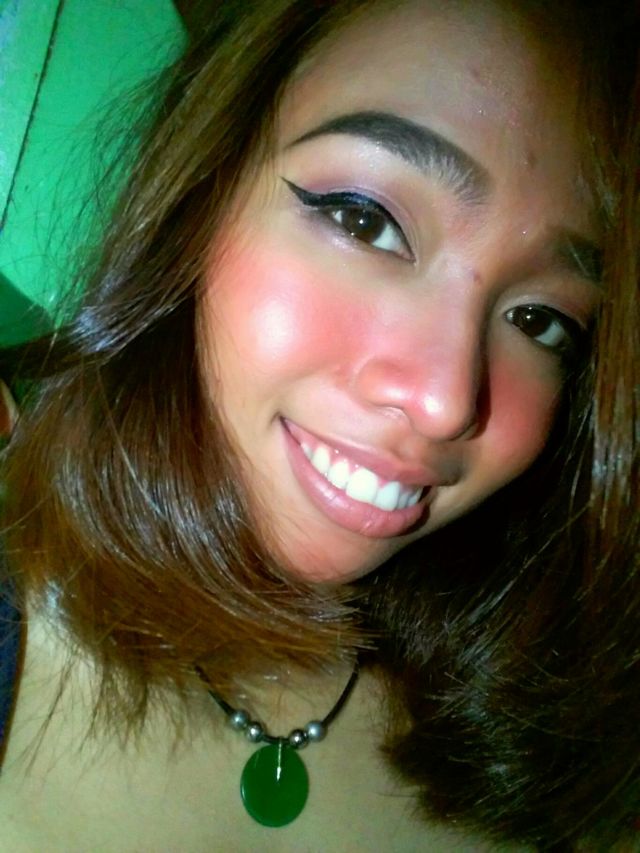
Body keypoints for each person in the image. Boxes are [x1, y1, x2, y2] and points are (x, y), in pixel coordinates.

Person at [1, 1, 638, 849]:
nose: (446, 400)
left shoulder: (553, 734)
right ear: (200, 192)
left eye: (541, 320)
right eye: (364, 220)